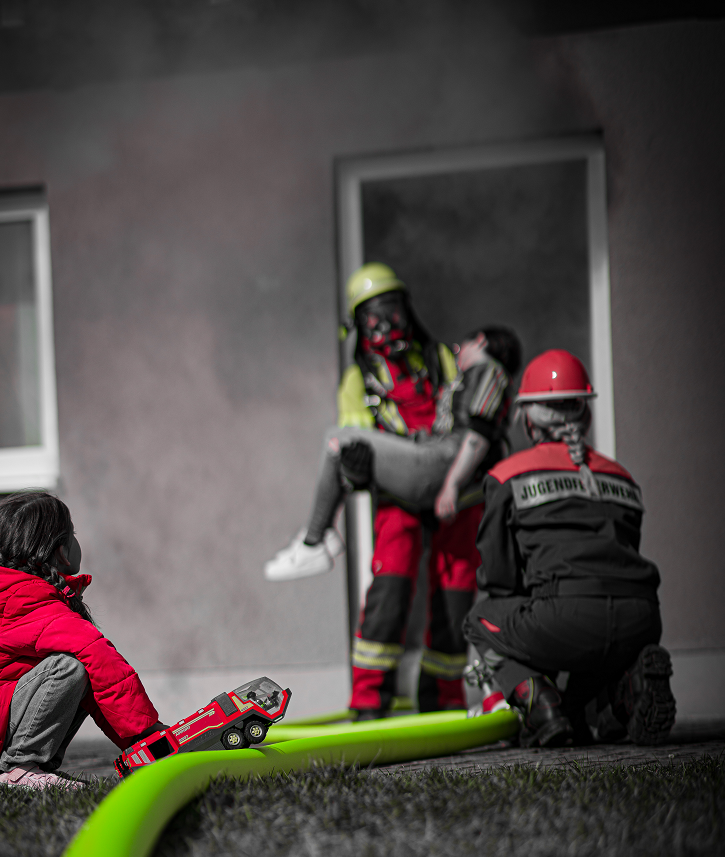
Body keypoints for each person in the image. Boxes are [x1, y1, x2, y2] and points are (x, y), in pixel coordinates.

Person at [264, 262, 519, 717]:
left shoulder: (441, 357)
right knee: (390, 587)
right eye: (373, 314)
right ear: (358, 325)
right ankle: (369, 701)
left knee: (455, 590)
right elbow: (358, 442)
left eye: (392, 309)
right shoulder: (356, 381)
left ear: (408, 309)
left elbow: (468, 412)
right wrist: (359, 470)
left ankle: (440, 698)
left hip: (459, 495)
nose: (386, 323)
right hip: (400, 495)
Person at [463, 349, 676, 748]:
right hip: (641, 619)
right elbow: (621, 556)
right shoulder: (621, 476)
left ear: (528, 418)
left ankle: (540, 708)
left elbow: (499, 577)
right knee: (578, 711)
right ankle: (628, 688)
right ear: (586, 414)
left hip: (564, 617)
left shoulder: (507, 475)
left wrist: (530, 647)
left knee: (480, 620)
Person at [0, 492, 165, 789]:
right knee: (67, 668)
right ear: (61, 552)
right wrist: (150, 731)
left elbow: (101, 683)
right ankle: (18, 770)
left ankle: (29, 768)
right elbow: (99, 654)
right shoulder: (22, 599)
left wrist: (137, 742)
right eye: (73, 533)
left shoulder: (14, 589)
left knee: (85, 671)